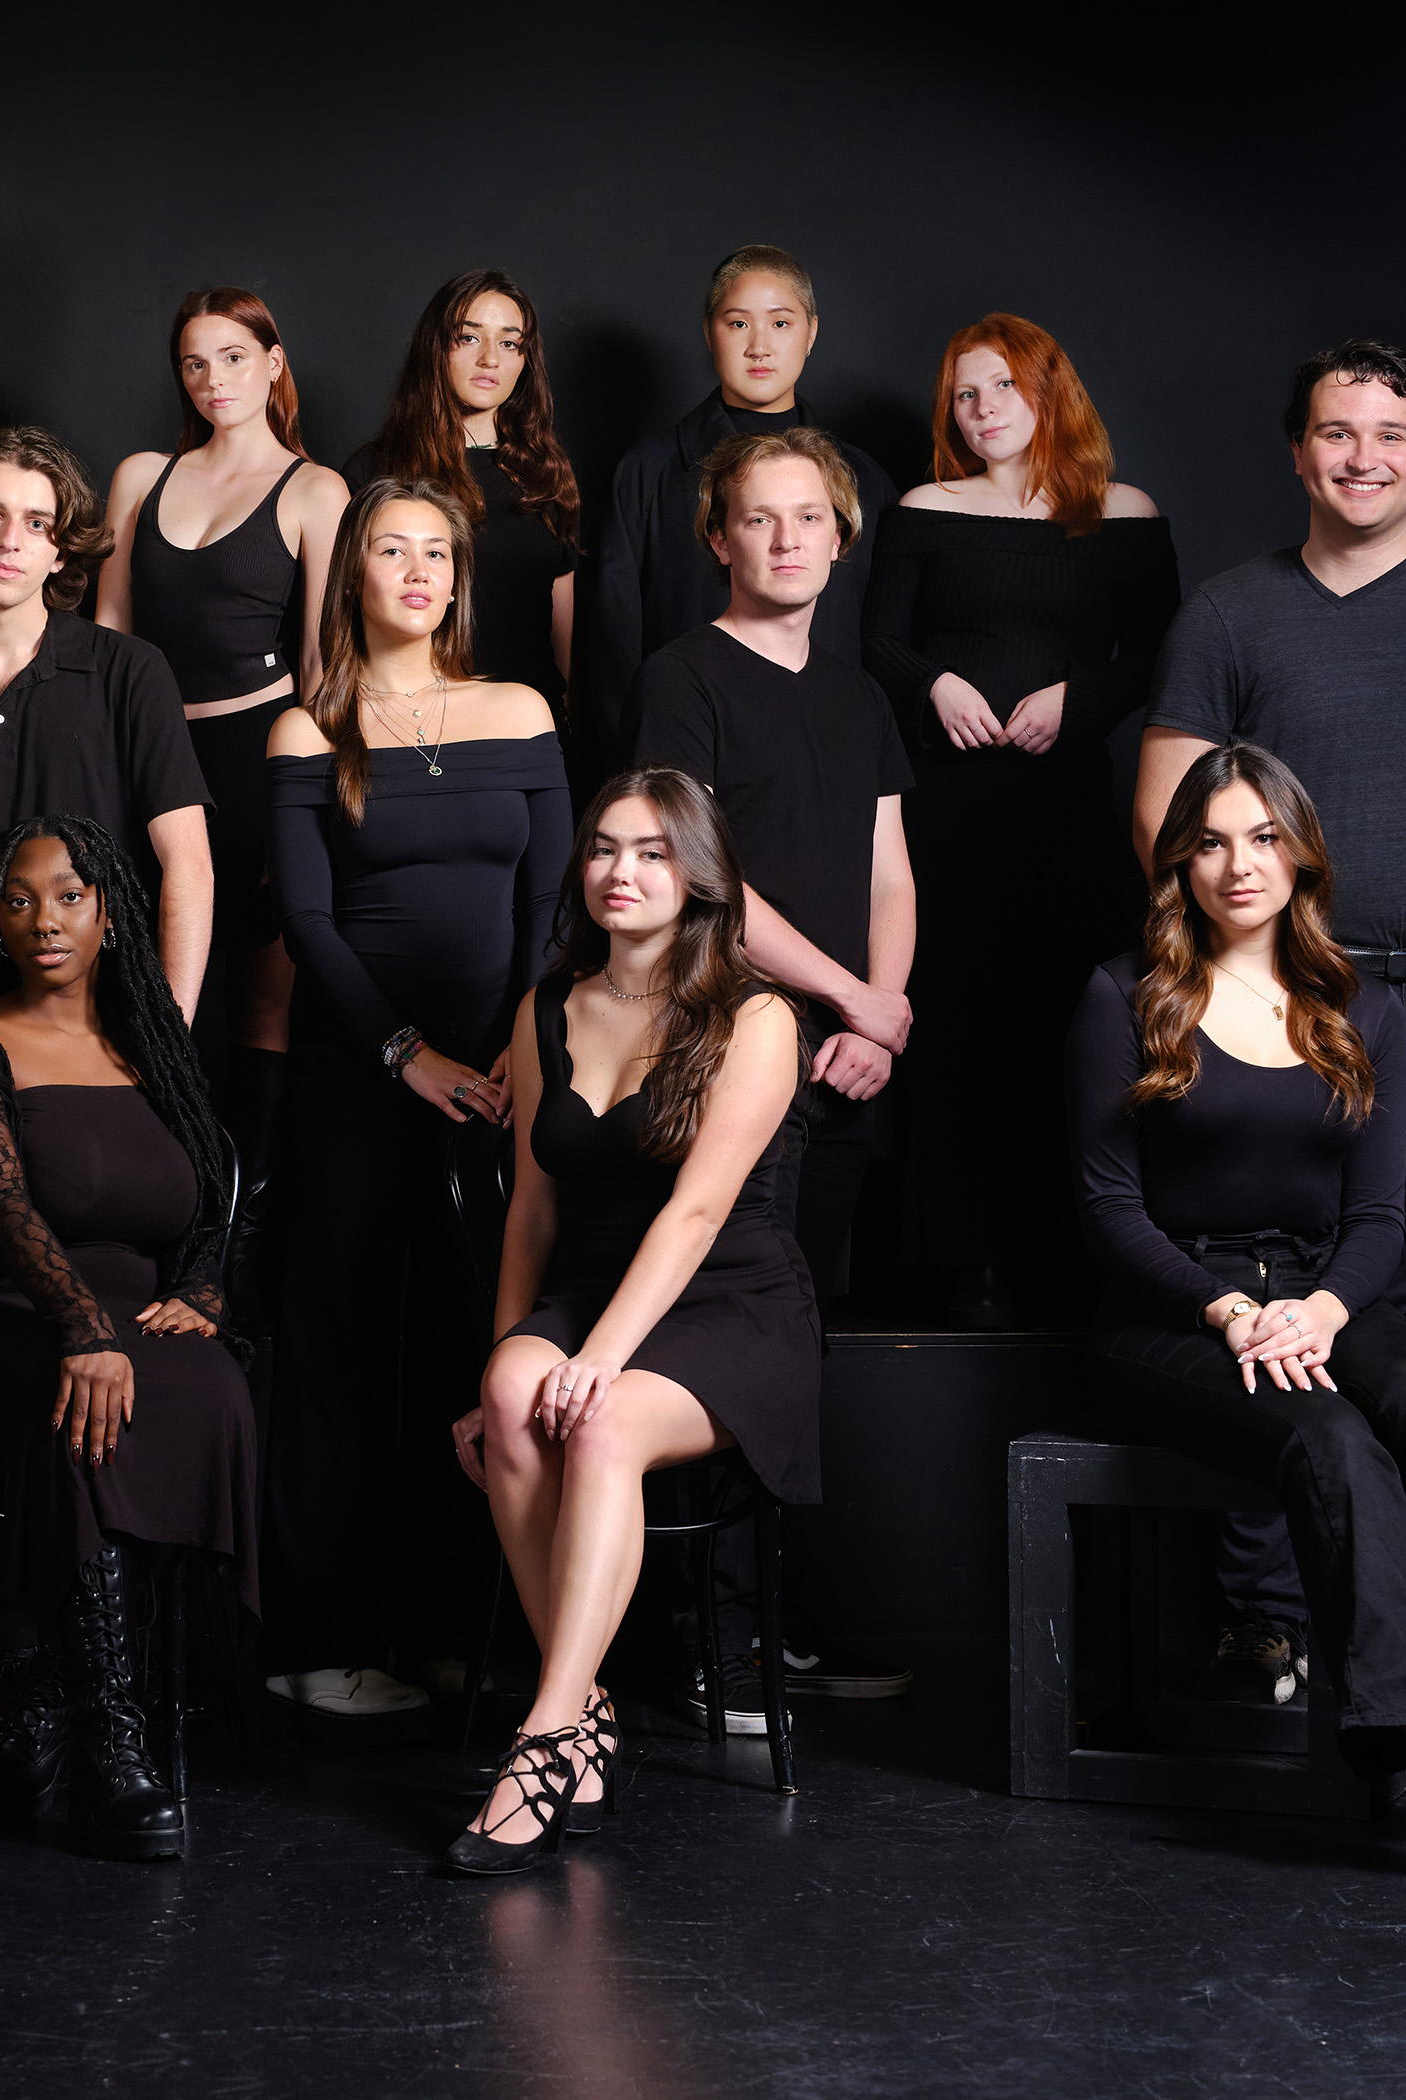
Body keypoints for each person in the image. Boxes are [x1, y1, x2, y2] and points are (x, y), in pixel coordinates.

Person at [1074, 742, 1406, 1902]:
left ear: (1301, 852)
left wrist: (1321, 1310)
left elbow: (1382, 1215)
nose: (1237, 864)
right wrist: (1230, 1309)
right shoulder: (1123, 996)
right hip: (1173, 1304)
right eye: (1209, 841)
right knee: (1334, 1440)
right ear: (1180, 864)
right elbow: (1105, 1208)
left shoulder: (1368, 1006)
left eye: (1261, 837)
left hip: (1318, 1287)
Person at [1136, 339, 1406, 1704]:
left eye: (1390, 433)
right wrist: (1232, 981)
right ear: (1296, 451)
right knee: (1262, 1301)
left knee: (1375, 1313)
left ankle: (1388, 1630)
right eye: (1335, 431)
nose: (1362, 455)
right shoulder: (1230, 616)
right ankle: (1271, 1616)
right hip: (1266, 1001)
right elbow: (1163, 816)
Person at [444, 765, 819, 1874]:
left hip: (730, 1299)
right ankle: (586, 1708)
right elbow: (532, 1212)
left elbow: (699, 1211)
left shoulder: (757, 1015)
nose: (623, 872)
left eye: (655, 852)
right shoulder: (546, 1006)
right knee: (517, 1397)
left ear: (700, 876)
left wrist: (597, 1361)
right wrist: (502, 1363)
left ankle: (544, 1738)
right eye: (606, 848)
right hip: (593, 1286)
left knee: (595, 1424)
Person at [261, 478, 570, 1721]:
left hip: (503, 1081)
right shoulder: (307, 728)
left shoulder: (519, 708)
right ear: (355, 576)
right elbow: (306, 920)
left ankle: (459, 1637)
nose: (417, 569)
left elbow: (557, 902)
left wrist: (512, 1053)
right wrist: (406, 1055)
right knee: (341, 1351)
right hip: (357, 1075)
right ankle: (322, 1642)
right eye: (391, 550)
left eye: (437, 551)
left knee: (471, 1349)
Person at [633, 426, 914, 1715]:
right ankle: (713, 1645)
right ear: (718, 538)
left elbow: (888, 870)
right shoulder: (683, 678)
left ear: (841, 539)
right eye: (761, 518)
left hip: (848, 1066)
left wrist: (883, 1013)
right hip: (729, 1054)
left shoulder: (859, 696)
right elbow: (702, 884)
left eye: (810, 518)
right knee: (724, 1346)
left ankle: (773, 1629)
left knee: (801, 1347)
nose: (788, 538)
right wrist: (846, 994)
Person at [0, 815, 252, 1862]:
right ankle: (115, 1738)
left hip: (138, 1319)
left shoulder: (151, 1043)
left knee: (205, 1384)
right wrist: (81, 1326)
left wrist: (204, 1288)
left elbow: (214, 1194)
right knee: (80, 1407)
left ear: (111, 910)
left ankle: (35, 1716)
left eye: (69, 896)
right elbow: (4, 1212)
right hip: (6, 1314)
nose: (45, 920)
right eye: (19, 900)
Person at [865, 313, 1179, 1329]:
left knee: (1068, 1019)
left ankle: (1068, 1253)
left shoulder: (1123, 511)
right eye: (966, 392)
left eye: (1004, 386)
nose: (984, 408)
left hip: (1069, 809)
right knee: (949, 1020)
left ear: (1049, 394)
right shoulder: (924, 505)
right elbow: (878, 642)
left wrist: (1075, 702)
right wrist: (937, 685)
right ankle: (952, 1264)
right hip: (947, 807)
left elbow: (1159, 658)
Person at [96, 288, 351, 1220]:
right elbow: (110, 631)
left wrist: (308, 802)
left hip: (261, 752)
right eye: (195, 362)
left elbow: (326, 668)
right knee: (153, 989)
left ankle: (245, 1220)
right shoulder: (139, 476)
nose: (214, 380)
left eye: (235, 357)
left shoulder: (315, 489)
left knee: (260, 999)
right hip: (153, 753)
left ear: (273, 362)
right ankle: (165, 1199)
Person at [0, 426, 214, 1023]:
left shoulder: (131, 673)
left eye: (36, 523)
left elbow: (189, 866)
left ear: (62, 550)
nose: (9, 541)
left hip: (120, 1021)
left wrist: (168, 1032)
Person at [579, 245, 891, 790]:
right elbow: (610, 655)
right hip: (685, 773)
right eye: (738, 322)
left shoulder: (863, 479)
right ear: (709, 332)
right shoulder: (648, 471)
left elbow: (885, 642)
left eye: (781, 322)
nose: (759, 345)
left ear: (811, 332)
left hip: (831, 770)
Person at [340, 271, 580, 703]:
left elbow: (563, 628)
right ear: (436, 348)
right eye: (469, 338)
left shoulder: (545, 472)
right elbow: (343, 617)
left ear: (526, 360)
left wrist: (567, 716)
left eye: (509, 343)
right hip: (413, 720)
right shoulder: (375, 471)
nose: (491, 358)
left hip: (531, 725)